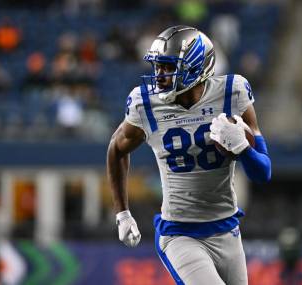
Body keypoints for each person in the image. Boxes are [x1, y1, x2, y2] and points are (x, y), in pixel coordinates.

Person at [106, 25, 271, 285]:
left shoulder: (233, 92)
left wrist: (243, 149)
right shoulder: (145, 104)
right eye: (157, 66)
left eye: (167, 67)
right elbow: (116, 148)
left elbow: (263, 173)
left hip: (227, 230)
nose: (158, 75)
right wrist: (122, 213)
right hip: (180, 234)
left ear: (196, 68)